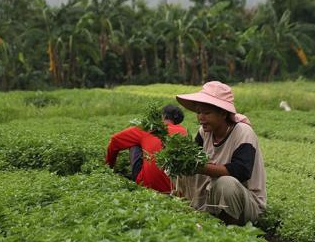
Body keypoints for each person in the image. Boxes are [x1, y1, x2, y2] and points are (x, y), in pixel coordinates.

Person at [175, 81, 266, 225]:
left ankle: (230, 230)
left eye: (207, 113)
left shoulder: (242, 132)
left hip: (246, 204)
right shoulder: (204, 133)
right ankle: (195, 213)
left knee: (226, 183)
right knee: (182, 167)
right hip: (212, 199)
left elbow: (240, 171)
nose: (200, 118)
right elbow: (191, 158)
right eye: (199, 112)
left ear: (223, 113)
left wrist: (202, 167)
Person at [105, 105, 187, 193]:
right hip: (175, 189)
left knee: (134, 143)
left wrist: (108, 167)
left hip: (148, 185)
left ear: (163, 116)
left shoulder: (149, 128)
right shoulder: (184, 132)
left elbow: (115, 140)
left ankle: (139, 181)